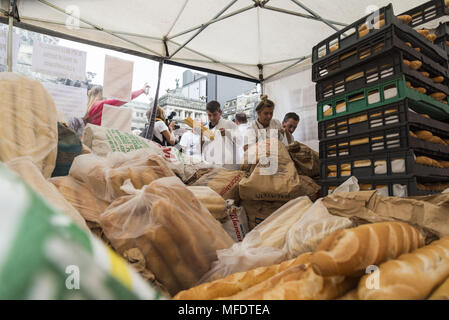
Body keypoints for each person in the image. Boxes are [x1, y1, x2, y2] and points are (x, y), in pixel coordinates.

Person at [85, 83, 149, 126]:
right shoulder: (101, 104)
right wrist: (142, 90)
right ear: (102, 94)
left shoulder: (86, 108)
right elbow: (125, 98)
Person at [202, 101, 238, 168]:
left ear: (220, 112)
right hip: (211, 164)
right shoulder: (205, 128)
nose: (212, 118)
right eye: (209, 115)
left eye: (215, 114)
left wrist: (227, 133)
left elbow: (240, 139)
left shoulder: (229, 124)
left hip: (228, 165)